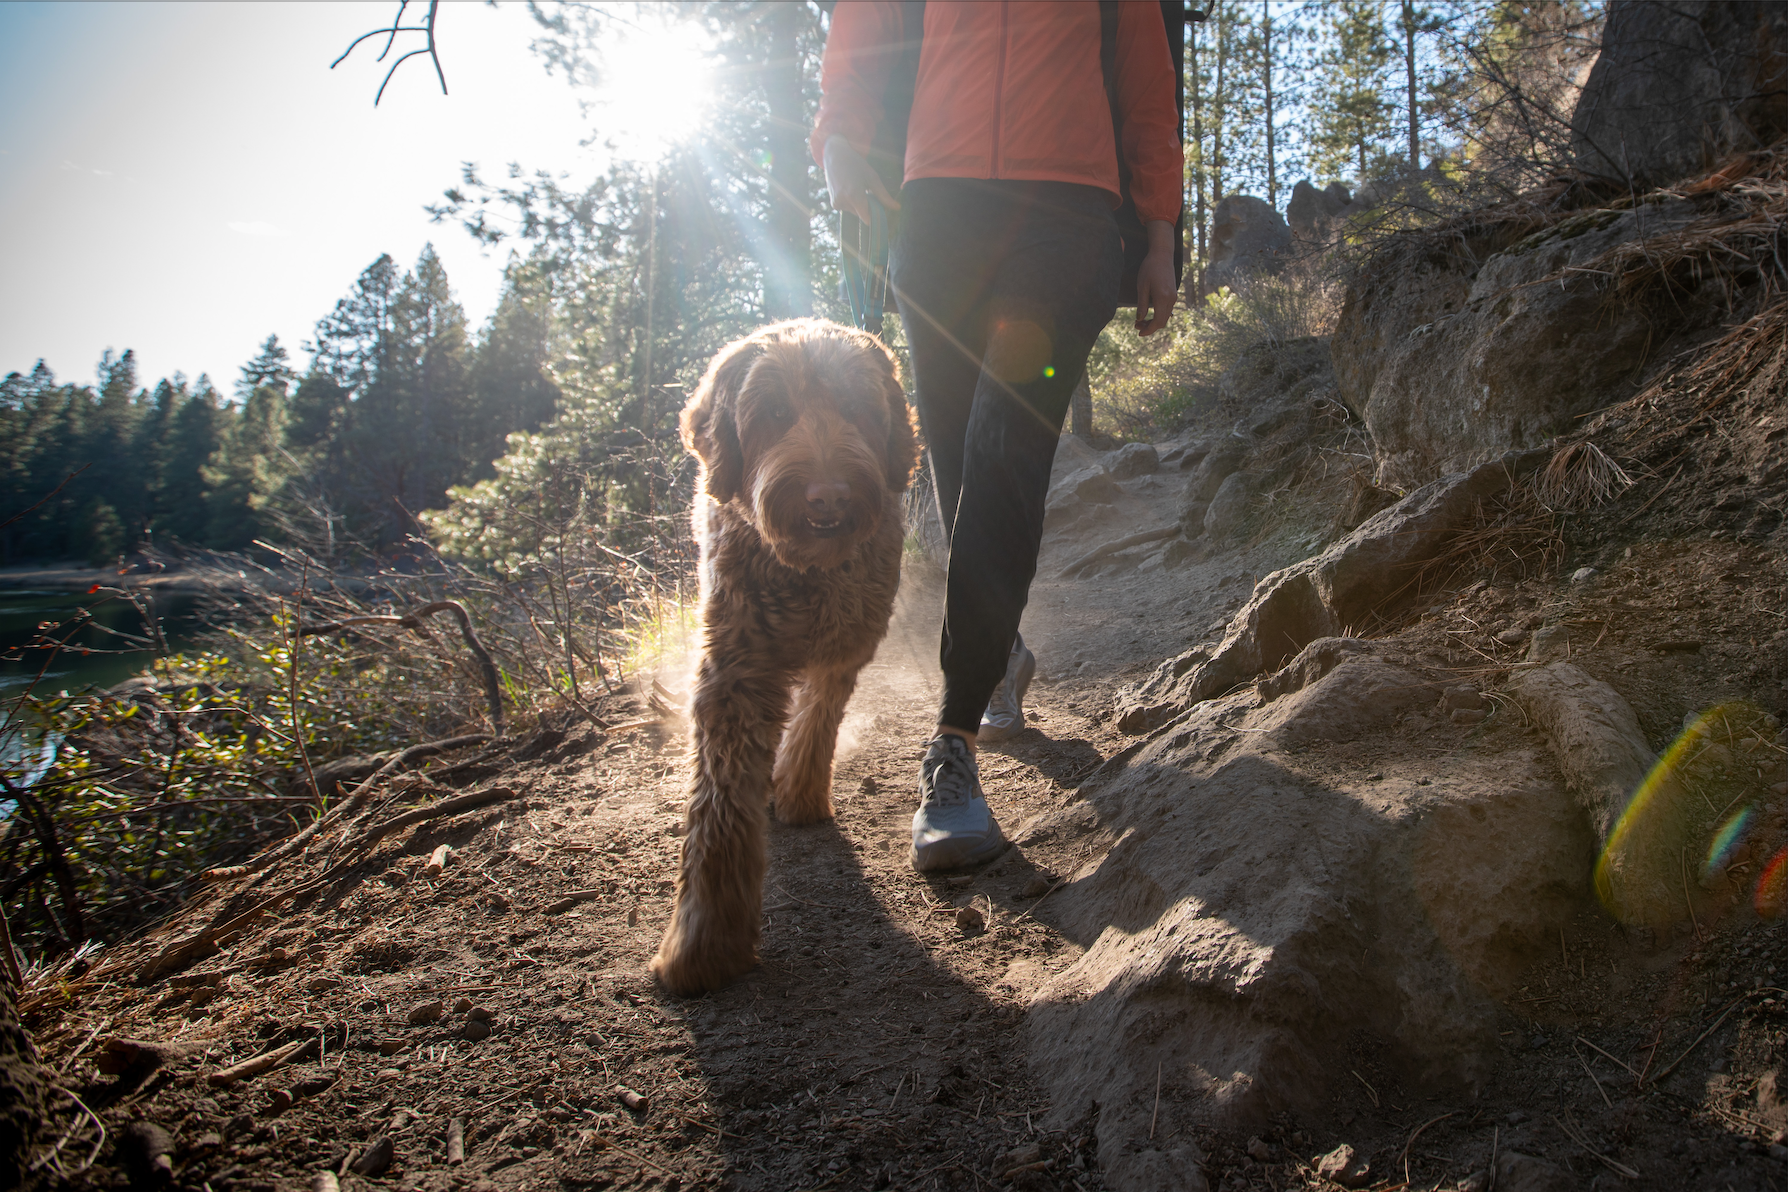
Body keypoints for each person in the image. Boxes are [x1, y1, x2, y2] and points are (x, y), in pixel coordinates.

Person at [812, 1, 1182, 870]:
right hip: (935, 212)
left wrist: (1160, 234)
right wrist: (838, 147)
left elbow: (1146, 86)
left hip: (1068, 217)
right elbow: (864, 34)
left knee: (1004, 447)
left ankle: (953, 744)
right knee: (956, 454)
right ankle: (1000, 647)